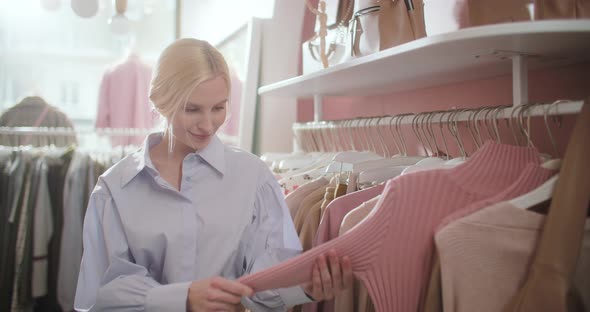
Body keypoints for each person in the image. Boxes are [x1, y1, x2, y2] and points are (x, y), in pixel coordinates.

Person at [74, 38, 353, 312]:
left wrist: (305, 287)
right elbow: (99, 294)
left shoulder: (253, 176)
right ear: (160, 102)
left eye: (219, 108)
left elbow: (268, 277)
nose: (208, 125)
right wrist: (183, 298)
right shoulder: (114, 189)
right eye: (192, 109)